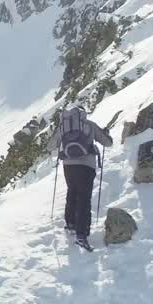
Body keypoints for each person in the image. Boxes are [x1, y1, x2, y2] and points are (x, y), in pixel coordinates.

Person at [52, 101, 113, 249]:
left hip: (68, 166)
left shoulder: (64, 126)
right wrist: (106, 134)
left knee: (72, 192)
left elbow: (51, 145)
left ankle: (70, 223)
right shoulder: (89, 125)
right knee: (84, 198)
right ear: (83, 114)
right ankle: (81, 234)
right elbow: (107, 143)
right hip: (86, 166)